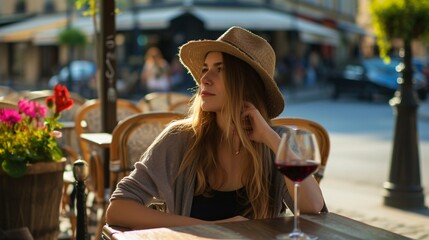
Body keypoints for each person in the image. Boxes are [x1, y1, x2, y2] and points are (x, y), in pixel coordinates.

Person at [106, 26, 326, 229]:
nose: (204, 79)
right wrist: (206, 229)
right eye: (205, 69)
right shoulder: (181, 138)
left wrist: (271, 138)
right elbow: (118, 209)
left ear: (246, 84)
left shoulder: (276, 142)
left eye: (219, 70)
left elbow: (313, 207)